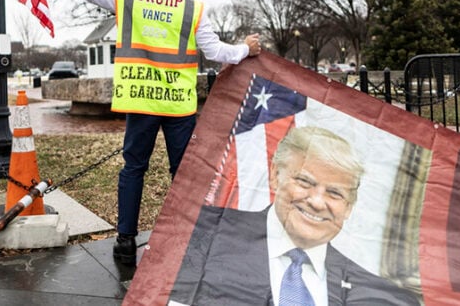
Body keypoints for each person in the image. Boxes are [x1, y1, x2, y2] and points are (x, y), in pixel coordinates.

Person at [37, 0, 262, 266]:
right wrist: (245, 48)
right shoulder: (193, 9)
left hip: (141, 101)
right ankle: (188, 240)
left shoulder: (129, 0)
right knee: (183, 173)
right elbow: (216, 53)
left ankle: (125, 243)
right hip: (178, 105)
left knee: (134, 168)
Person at [170, 126, 421, 305]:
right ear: (275, 176)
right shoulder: (199, 237)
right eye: (304, 181)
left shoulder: (386, 297)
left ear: (349, 207)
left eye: (334, 193)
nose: (316, 201)